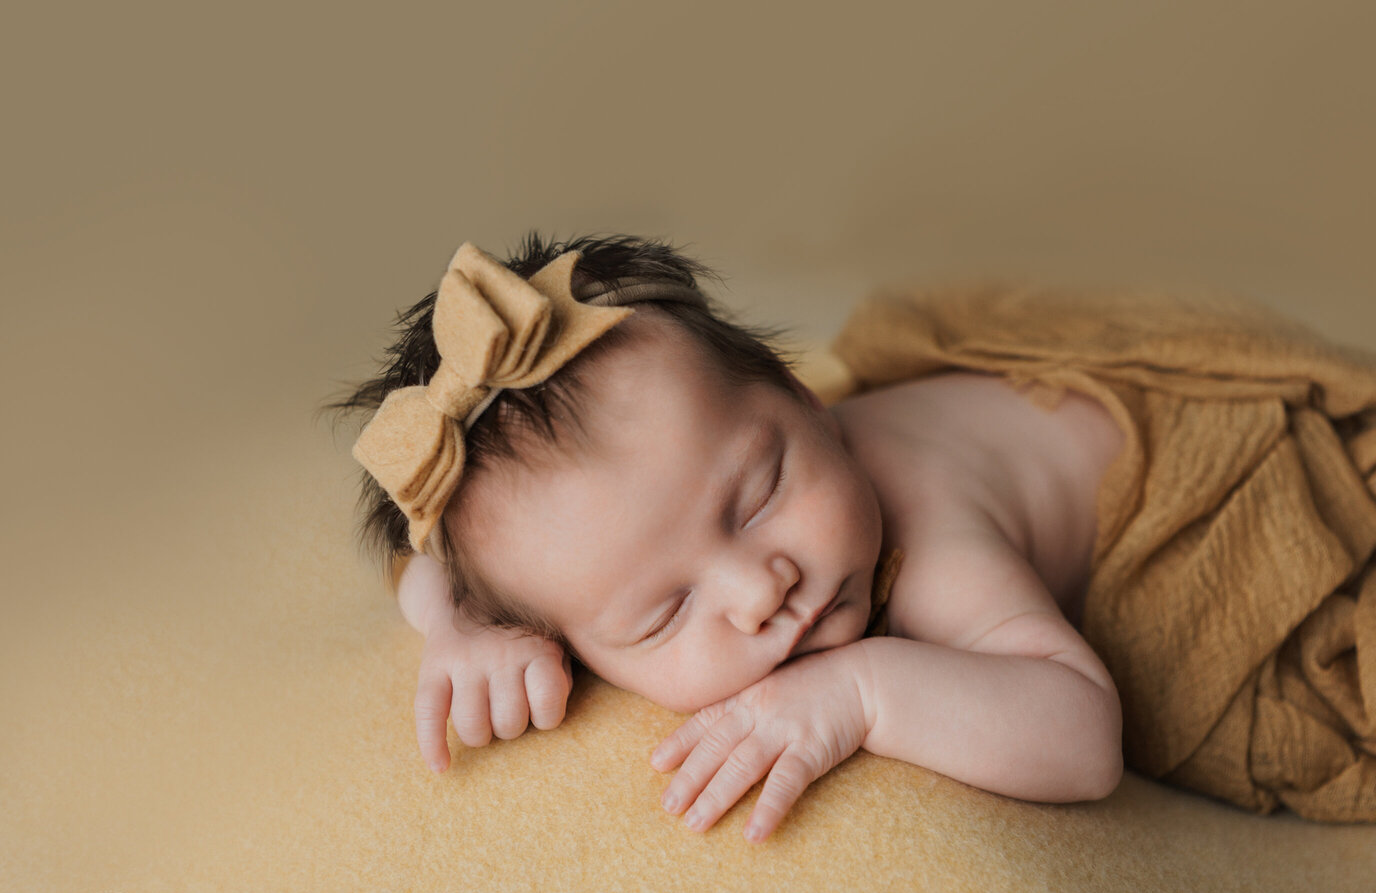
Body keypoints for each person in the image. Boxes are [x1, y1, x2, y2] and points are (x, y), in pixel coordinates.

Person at [326, 231, 1125, 845]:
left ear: (802, 395)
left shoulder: (931, 540)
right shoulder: (585, 555)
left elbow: (1085, 735)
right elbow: (426, 564)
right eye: (665, 612)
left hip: (1148, 461)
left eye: (756, 497)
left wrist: (863, 692)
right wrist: (457, 628)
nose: (758, 590)